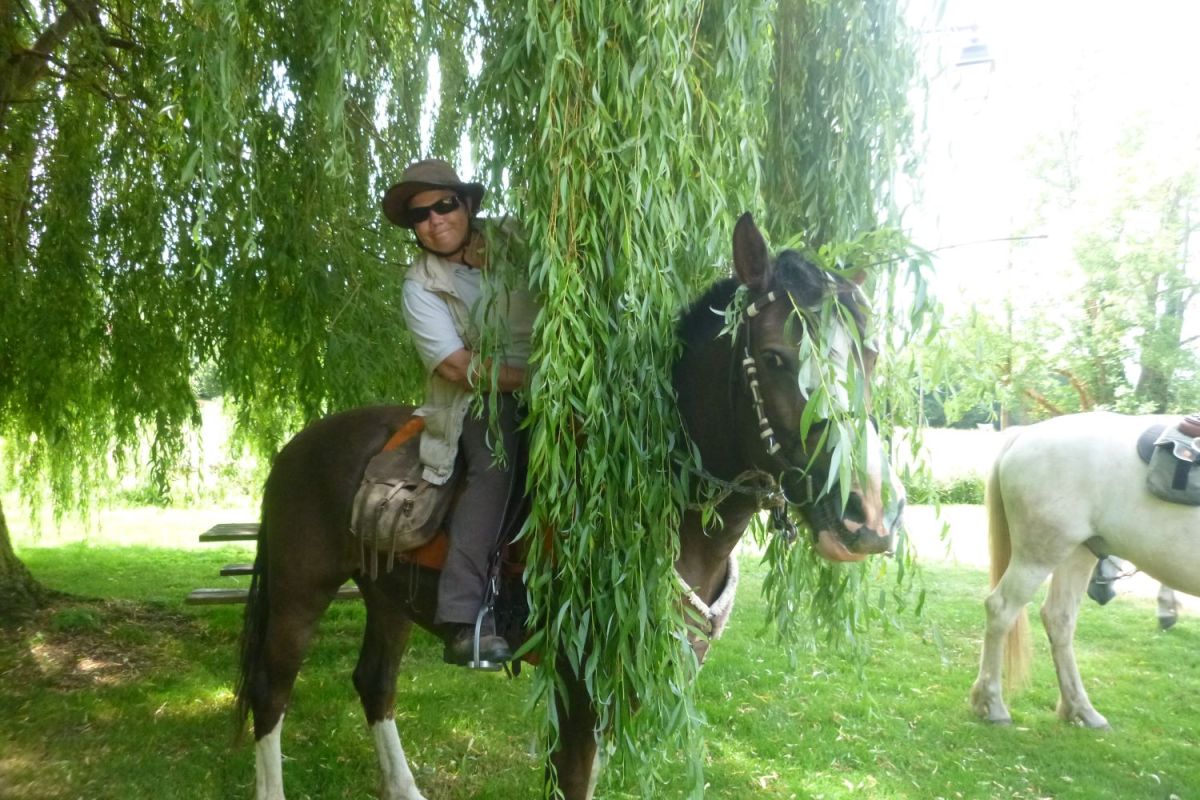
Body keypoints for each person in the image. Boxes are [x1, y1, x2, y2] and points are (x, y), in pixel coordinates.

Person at [382, 158, 537, 666]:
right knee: (497, 467)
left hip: (569, 382)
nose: (434, 220)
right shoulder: (420, 285)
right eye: (420, 216)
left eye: (444, 205)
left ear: (467, 205)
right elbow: (454, 366)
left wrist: (512, 262)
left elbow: (580, 279)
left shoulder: (520, 239)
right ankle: (466, 617)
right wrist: (537, 382)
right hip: (484, 398)